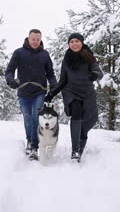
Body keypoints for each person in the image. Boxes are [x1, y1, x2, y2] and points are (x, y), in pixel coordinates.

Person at [44, 33, 103, 162]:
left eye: (77, 41)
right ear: (69, 44)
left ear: (81, 42)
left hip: (87, 92)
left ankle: (81, 137)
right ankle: (75, 150)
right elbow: (62, 80)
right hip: (71, 92)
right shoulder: (67, 59)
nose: (74, 44)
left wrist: (94, 74)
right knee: (76, 113)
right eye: (71, 42)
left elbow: (99, 72)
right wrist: (51, 94)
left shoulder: (89, 56)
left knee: (91, 119)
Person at [5, 29, 57, 160]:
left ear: (40, 40)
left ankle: (34, 146)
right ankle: (29, 139)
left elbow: (50, 73)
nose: (35, 41)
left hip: (39, 91)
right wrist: (11, 81)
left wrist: (54, 84)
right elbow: (9, 71)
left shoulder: (45, 54)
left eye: (38, 39)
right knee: (27, 118)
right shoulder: (18, 53)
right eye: (33, 39)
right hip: (23, 91)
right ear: (28, 39)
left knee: (35, 117)